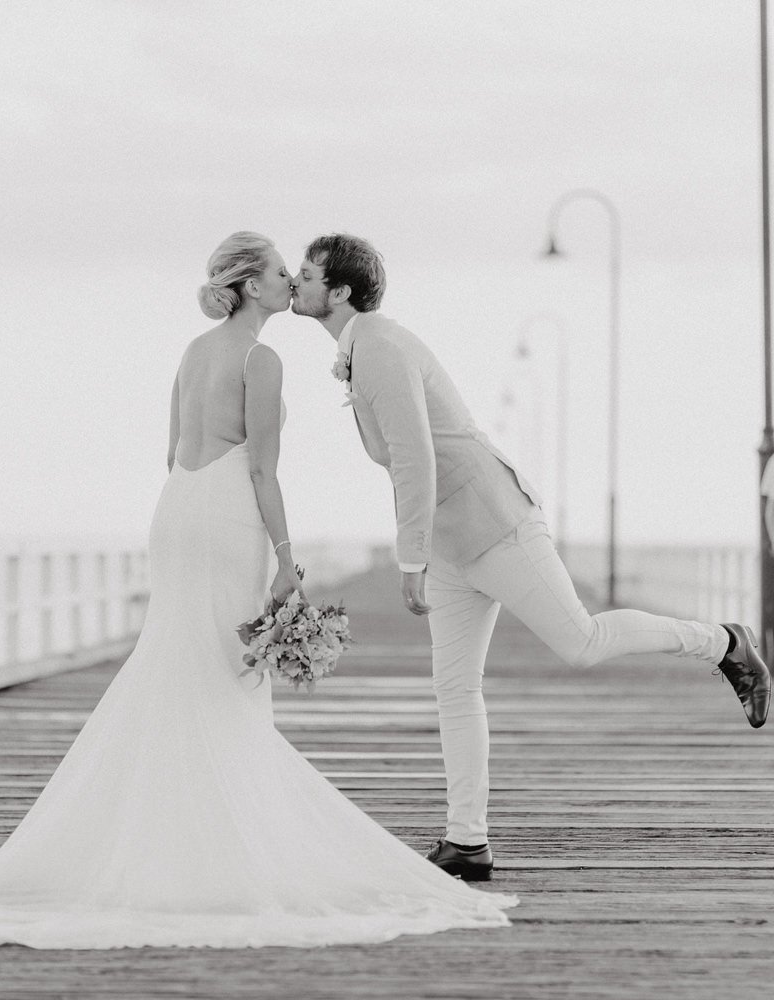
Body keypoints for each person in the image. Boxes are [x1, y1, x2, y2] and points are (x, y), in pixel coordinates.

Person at [0, 232, 515, 949]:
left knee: (179, 662)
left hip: (178, 512)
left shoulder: (194, 353)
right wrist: (287, 559)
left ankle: (169, 831)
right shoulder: (262, 362)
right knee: (225, 676)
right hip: (227, 518)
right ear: (251, 284)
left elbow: (171, 451)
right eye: (283, 271)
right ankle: (211, 840)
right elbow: (263, 471)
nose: (294, 282)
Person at [291, 232, 772, 883]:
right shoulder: (362, 347)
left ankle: (724, 642)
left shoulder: (377, 343)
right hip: (454, 541)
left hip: (494, 522)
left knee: (582, 642)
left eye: (306, 273)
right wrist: (429, 551)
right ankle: (467, 842)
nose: (296, 281)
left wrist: (409, 559)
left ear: (340, 290)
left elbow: (414, 456)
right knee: (455, 689)